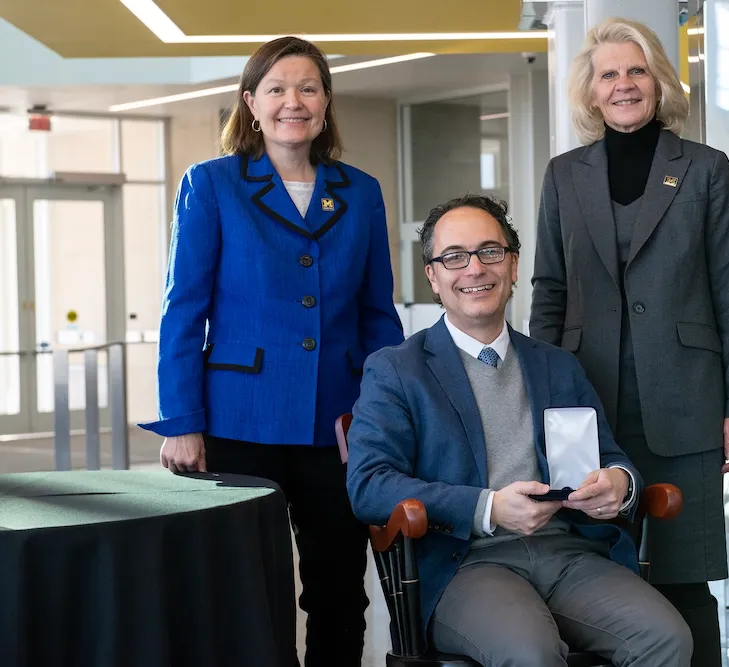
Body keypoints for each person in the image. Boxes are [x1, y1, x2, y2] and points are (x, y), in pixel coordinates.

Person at [138, 36, 404, 667]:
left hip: (339, 424)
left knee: (340, 590)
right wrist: (181, 422)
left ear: (326, 102)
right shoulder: (212, 184)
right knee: (249, 590)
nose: (294, 101)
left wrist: (388, 415)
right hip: (239, 421)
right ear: (251, 103)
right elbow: (184, 309)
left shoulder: (360, 191)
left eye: (309, 87)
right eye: (278, 89)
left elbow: (377, 315)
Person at [346, 194, 693, 667]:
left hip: (569, 553)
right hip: (465, 564)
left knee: (666, 636)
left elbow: (609, 456)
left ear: (512, 266)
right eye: (454, 257)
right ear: (433, 275)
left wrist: (620, 483)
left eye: (490, 252)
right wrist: (487, 507)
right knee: (530, 652)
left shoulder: (557, 365)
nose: (474, 269)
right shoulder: (396, 370)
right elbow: (369, 485)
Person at [529, 17, 729, 667]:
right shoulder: (564, 175)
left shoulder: (706, 170)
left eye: (637, 71)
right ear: (591, 92)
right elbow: (548, 290)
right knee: (585, 573)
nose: (624, 84)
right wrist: (538, 398)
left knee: (684, 578)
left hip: (685, 400)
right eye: (610, 74)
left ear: (659, 83)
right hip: (581, 401)